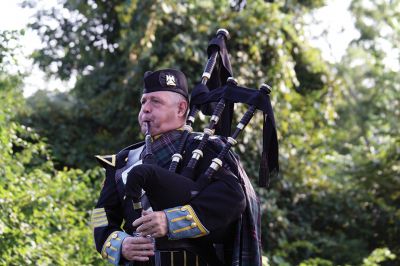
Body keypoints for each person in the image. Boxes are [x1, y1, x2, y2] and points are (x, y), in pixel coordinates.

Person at [92, 69, 262, 265]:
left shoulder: (204, 148)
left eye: (155, 101)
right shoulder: (123, 161)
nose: (145, 109)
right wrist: (121, 244)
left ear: (181, 109)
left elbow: (231, 200)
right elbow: (101, 215)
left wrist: (170, 221)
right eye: (143, 101)